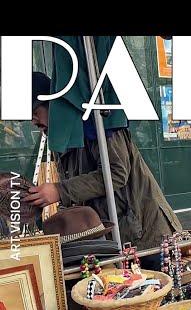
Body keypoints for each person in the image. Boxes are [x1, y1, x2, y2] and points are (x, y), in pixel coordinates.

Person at [27, 72, 182, 271]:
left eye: (34, 110)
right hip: (114, 238)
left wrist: (59, 190)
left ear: (54, 104)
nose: (32, 120)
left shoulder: (99, 120)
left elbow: (117, 172)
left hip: (146, 233)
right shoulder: (60, 140)